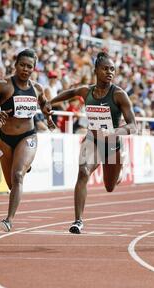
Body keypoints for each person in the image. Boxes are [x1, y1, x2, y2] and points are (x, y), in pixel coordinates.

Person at [46, 51, 137, 234]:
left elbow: (133, 126)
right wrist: (50, 102)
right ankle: (78, 221)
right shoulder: (86, 91)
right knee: (83, 172)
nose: (109, 72)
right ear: (96, 70)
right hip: (92, 140)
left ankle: (119, 172)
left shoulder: (119, 95)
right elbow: (70, 92)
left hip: (112, 144)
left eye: (112, 69)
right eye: (105, 69)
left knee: (109, 187)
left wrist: (113, 131)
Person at [0, 49, 54, 232]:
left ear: (34, 69)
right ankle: (22, 165)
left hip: (27, 136)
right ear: (15, 65)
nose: (25, 69)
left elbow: (44, 103)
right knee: (11, 184)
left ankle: (8, 220)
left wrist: (48, 114)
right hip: (5, 139)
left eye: (30, 66)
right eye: (22, 65)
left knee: (18, 175)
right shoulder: (3, 86)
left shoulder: (36, 88)